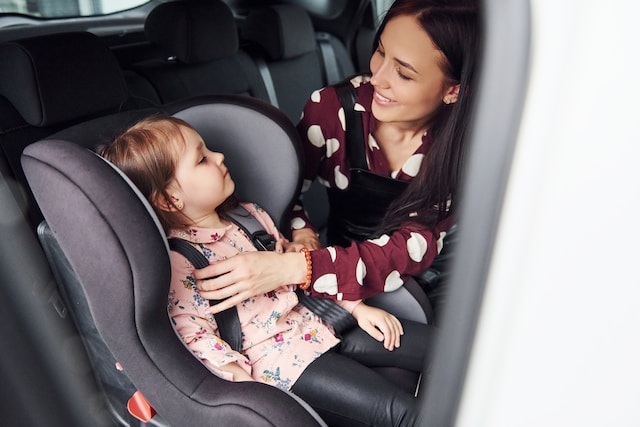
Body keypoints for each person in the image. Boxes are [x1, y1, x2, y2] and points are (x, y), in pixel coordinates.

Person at [98, 115, 435, 426]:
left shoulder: (250, 216)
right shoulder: (180, 259)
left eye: (210, 150)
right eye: (202, 159)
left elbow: (299, 276)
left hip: (322, 319)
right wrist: (246, 391)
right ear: (170, 200)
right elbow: (193, 332)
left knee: (443, 349)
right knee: (404, 412)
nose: (219, 157)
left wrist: (357, 308)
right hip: (284, 362)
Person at [193, 0, 479, 320]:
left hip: (430, 268)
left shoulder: (463, 145)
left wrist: (297, 268)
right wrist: (302, 233)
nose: (377, 77)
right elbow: (285, 193)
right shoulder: (331, 111)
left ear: (453, 91)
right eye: (381, 52)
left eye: (403, 73)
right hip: (337, 263)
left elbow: (411, 247)